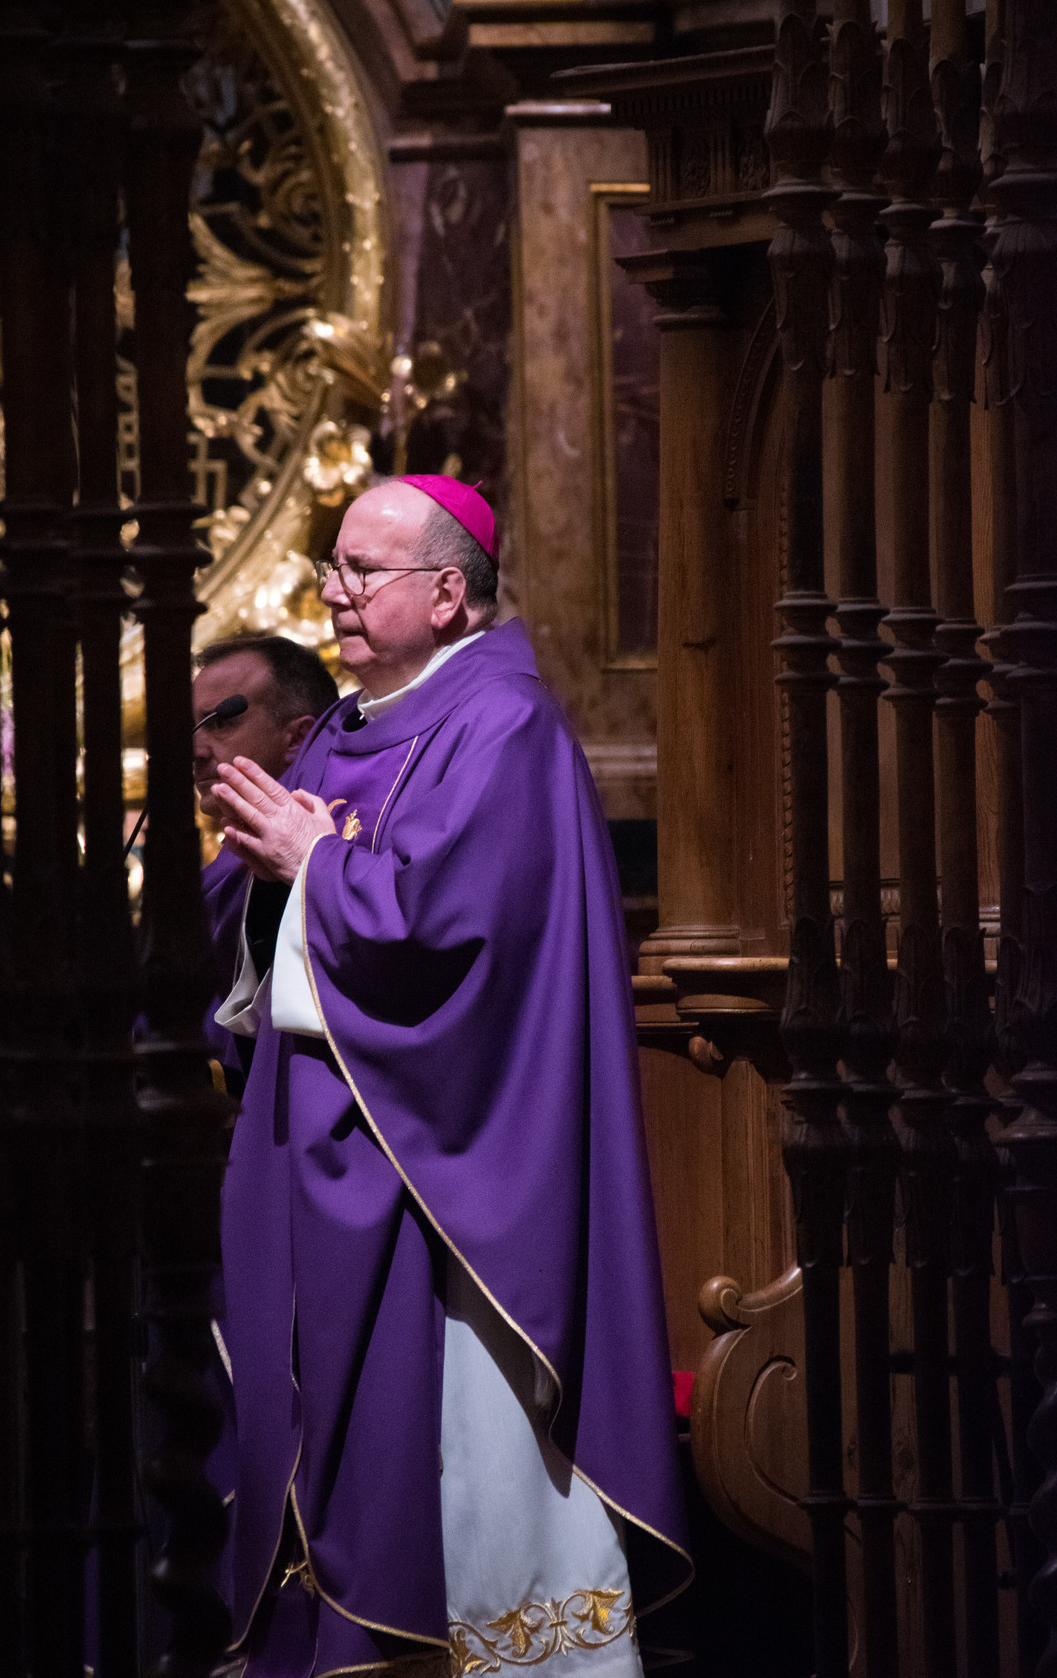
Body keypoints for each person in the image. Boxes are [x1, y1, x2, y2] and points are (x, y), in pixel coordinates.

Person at [210, 475, 691, 1678]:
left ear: (447, 592)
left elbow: (456, 942)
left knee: (458, 1458)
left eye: (362, 571)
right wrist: (272, 876)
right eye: (330, 566)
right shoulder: (339, 729)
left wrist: (316, 862)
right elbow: (275, 919)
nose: (334, 590)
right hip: (327, 1153)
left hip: (443, 1175)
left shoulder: (504, 728)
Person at [193, 633, 339, 1096]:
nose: (195, 749)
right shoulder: (223, 866)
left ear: (297, 737)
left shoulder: (334, 840)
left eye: (220, 722)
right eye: (192, 725)